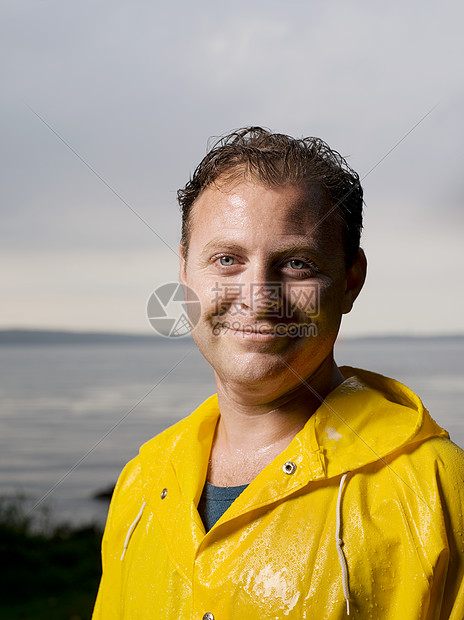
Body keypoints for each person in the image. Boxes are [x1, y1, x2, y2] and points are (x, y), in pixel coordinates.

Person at [92, 127, 464, 619]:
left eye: (295, 263)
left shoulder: (439, 487)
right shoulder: (142, 481)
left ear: (351, 280)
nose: (259, 296)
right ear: (185, 272)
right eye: (227, 259)